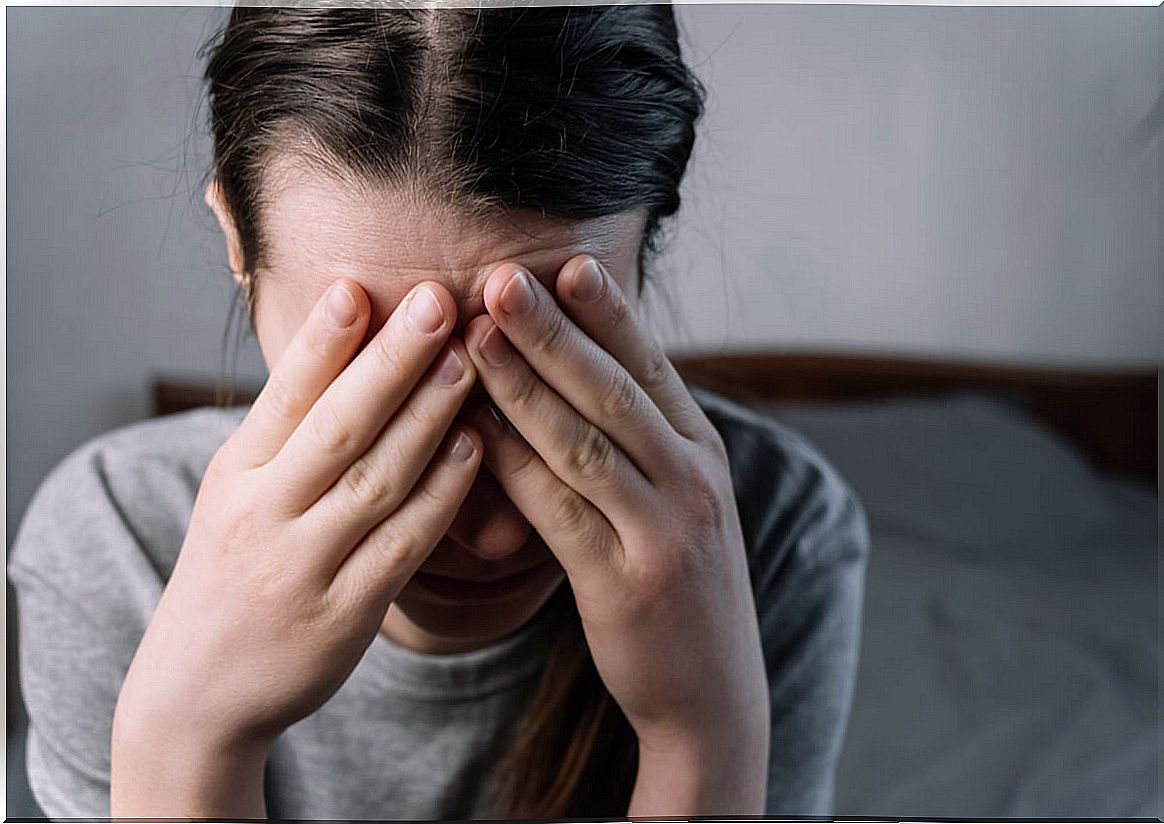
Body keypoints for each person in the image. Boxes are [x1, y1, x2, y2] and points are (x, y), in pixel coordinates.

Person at [8, 5, 869, 820]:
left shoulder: (774, 532)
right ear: (238, 242)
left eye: (543, 372)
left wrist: (703, 735)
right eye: (379, 382)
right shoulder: (111, 544)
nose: (485, 534)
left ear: (646, 250)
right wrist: (180, 744)